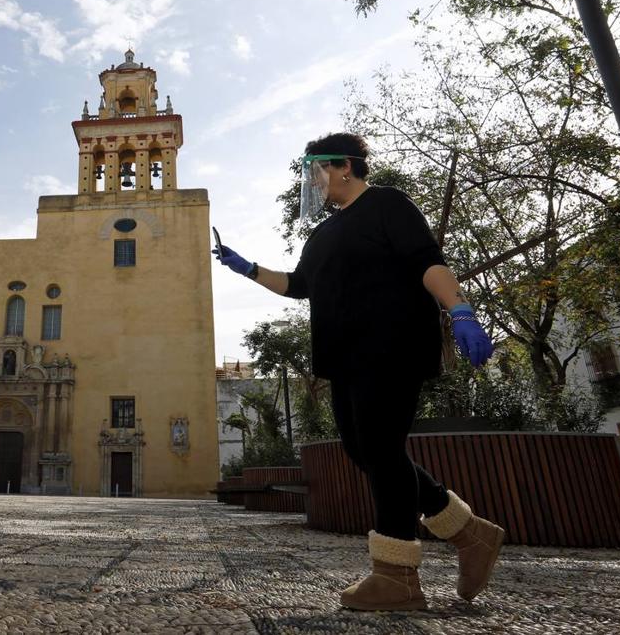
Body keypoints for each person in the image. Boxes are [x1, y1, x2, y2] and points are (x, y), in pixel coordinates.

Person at [215, 132, 504, 612]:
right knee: (365, 448)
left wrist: (460, 310)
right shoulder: (322, 234)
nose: (312, 181)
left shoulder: (389, 204)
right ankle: (470, 533)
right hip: (344, 356)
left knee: (382, 449)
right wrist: (247, 268)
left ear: (344, 166)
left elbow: (427, 263)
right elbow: (298, 285)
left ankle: (397, 578)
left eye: (316, 170)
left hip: (392, 345)